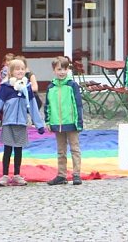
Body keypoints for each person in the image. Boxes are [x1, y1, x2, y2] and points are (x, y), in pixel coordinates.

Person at [0, 58, 46, 186]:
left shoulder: (27, 88)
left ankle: (17, 174)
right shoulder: (5, 88)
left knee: (18, 150)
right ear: (11, 72)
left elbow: (33, 107)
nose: (20, 71)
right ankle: (5, 175)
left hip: (21, 123)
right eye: (17, 69)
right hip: (8, 123)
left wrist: (39, 124)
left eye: (22, 69)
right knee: (7, 149)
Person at [44, 56, 84, 185]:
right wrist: (48, 121)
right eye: (59, 69)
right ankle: (61, 175)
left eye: (65, 69)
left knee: (75, 148)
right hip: (57, 123)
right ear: (54, 70)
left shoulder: (72, 85)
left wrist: (79, 122)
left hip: (71, 122)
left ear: (68, 70)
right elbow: (47, 105)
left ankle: (76, 174)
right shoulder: (51, 87)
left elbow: (78, 104)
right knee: (61, 150)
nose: (62, 72)